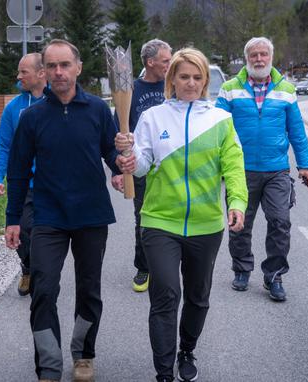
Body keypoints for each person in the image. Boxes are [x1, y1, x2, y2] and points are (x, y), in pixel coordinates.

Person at [116, 48, 248, 382]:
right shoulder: (153, 117)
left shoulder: (220, 120)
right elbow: (142, 163)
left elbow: (233, 167)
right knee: (165, 295)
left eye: (197, 77)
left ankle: (186, 349)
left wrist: (237, 203)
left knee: (197, 298)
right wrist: (130, 162)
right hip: (160, 220)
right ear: (172, 79)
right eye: (184, 76)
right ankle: (163, 372)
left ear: (205, 81)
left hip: (205, 224)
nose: (190, 83)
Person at [5, 39, 126, 382]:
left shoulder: (98, 111)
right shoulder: (32, 117)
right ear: (44, 71)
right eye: (52, 66)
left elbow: (109, 151)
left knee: (89, 289)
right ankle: (48, 365)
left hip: (91, 215)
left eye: (65, 65)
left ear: (78, 67)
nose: (59, 72)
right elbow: (17, 170)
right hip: (48, 216)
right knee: (43, 289)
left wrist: (119, 166)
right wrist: (13, 219)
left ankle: (84, 354)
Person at [216, 36, 308, 302]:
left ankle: (274, 275)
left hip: (277, 170)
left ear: (271, 58)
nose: (259, 59)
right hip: (240, 171)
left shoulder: (287, 90)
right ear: (247, 59)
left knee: (280, 222)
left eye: (263, 55)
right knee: (239, 225)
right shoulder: (229, 89)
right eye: (254, 55)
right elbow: (215, 129)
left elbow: (297, 130)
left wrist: (304, 165)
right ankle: (242, 269)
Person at [110, 39, 172, 292]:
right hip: (140, 165)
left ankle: (168, 266)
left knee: (172, 219)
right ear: (150, 62)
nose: (170, 64)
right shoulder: (131, 90)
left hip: (171, 166)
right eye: (166, 60)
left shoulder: (174, 85)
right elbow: (118, 129)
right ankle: (143, 268)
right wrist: (117, 169)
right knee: (143, 219)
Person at [0, 53, 46, 296]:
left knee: (44, 234)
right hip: (22, 182)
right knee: (21, 230)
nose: (18, 76)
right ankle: (27, 267)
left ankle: (42, 274)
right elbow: (3, 144)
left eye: (23, 71)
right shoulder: (14, 108)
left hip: (50, 183)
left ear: (40, 73)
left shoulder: (55, 103)